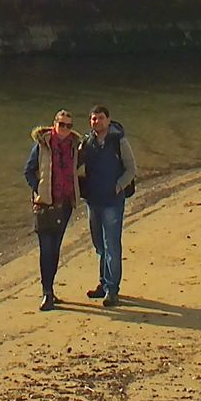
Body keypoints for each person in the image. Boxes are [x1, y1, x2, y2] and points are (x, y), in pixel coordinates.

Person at [79, 105, 137, 308]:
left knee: (112, 246)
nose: (97, 122)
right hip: (93, 201)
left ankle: (112, 290)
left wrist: (118, 186)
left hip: (113, 201)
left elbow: (131, 168)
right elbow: (76, 165)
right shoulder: (87, 142)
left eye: (101, 118)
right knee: (99, 246)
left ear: (108, 120)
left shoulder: (118, 141)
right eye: (94, 119)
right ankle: (103, 284)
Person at [23, 109, 81, 312]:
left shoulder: (74, 147)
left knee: (55, 249)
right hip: (45, 204)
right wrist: (38, 189)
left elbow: (79, 167)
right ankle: (46, 292)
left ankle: (51, 289)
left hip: (64, 205)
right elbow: (28, 170)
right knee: (46, 248)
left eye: (69, 125)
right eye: (61, 124)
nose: (65, 129)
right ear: (54, 124)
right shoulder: (42, 145)